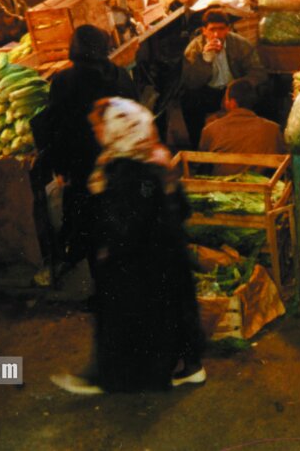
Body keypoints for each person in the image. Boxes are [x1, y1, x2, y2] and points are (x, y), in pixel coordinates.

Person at [51, 98, 204, 394]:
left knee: (126, 321)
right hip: (167, 257)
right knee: (173, 312)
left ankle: (110, 377)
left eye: (100, 127)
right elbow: (181, 208)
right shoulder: (154, 157)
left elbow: (128, 224)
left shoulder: (126, 171)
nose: (97, 133)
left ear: (118, 130)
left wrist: (108, 249)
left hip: (140, 263)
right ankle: (190, 367)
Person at [32, 25, 137, 268]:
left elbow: (57, 130)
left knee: (93, 232)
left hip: (84, 169)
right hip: (120, 163)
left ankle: (103, 290)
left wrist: (59, 170)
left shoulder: (64, 82)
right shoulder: (120, 75)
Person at [179, 9, 267, 147]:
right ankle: (198, 149)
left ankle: (257, 143)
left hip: (234, 89)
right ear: (204, 30)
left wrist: (238, 87)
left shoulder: (240, 44)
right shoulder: (194, 49)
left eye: (221, 29)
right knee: (188, 100)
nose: (216, 34)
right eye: (212, 29)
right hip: (209, 91)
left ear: (228, 29)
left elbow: (258, 72)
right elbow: (191, 82)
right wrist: (205, 61)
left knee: (264, 94)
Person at [199, 79, 285, 155]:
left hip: (222, 174)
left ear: (232, 103)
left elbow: (202, 164)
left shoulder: (210, 130)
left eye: (225, 99)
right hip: (260, 173)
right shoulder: (273, 130)